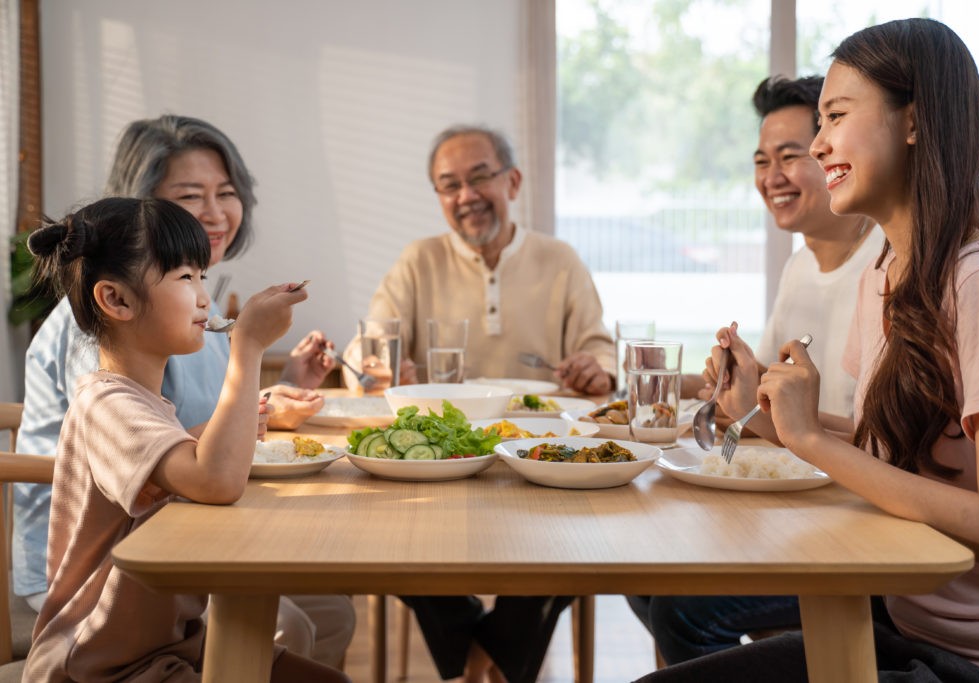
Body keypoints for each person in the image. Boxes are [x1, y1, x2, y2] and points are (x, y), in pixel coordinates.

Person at [638, 18, 979, 682]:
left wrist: (813, 442)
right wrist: (769, 416)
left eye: (835, 117)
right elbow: (886, 449)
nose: (817, 146)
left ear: (913, 120)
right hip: (902, 622)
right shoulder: (890, 272)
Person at [13, 115, 354, 667]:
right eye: (191, 195)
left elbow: (178, 438)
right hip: (106, 619)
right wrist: (246, 349)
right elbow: (196, 468)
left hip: (173, 561)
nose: (217, 212)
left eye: (226, 193)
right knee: (285, 625)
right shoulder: (100, 353)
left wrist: (279, 388)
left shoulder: (183, 316)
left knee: (326, 618)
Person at [627, 75, 885, 665]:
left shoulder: (884, 264)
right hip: (795, 506)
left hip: (854, 520)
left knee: (684, 608)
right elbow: (763, 405)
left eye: (792, 155)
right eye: (761, 160)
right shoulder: (798, 268)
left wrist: (757, 405)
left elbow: (868, 434)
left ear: (832, 152)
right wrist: (733, 382)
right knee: (644, 568)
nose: (772, 176)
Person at [346, 124, 616, 396]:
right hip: (445, 432)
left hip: (540, 432)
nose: (467, 196)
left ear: (513, 182)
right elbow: (371, 341)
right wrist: (376, 368)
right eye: (451, 185)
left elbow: (599, 349)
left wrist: (598, 371)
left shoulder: (560, 259)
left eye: (479, 178)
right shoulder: (419, 260)